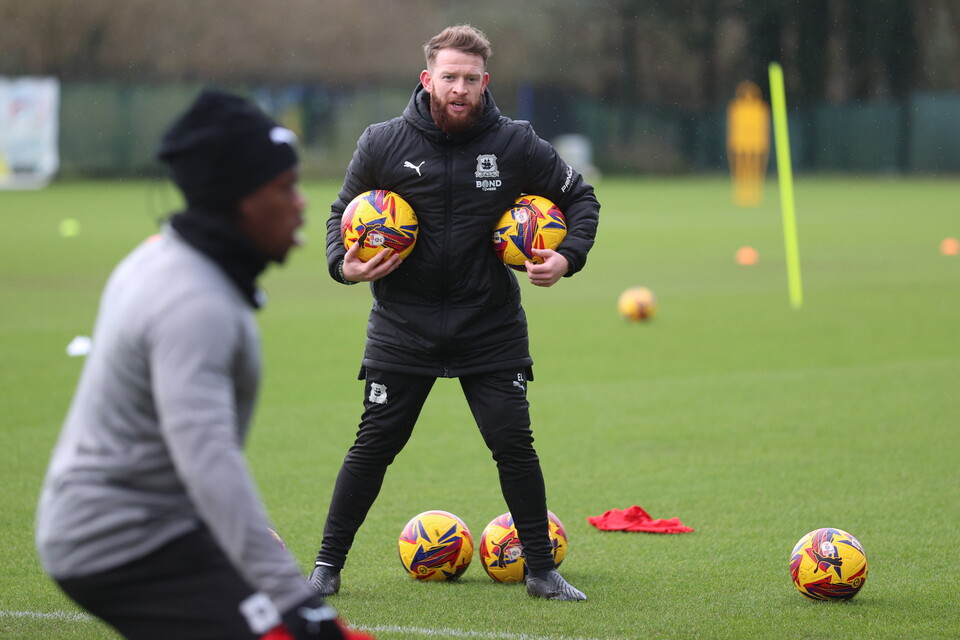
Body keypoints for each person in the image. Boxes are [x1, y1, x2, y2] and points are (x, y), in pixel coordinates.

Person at [35, 89, 372, 640]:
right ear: (240, 202)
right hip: (116, 540)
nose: (301, 203)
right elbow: (207, 457)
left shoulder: (169, 259)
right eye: (284, 188)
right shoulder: (194, 301)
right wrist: (294, 601)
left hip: (156, 523)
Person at [309, 25, 600, 601]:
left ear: (485, 82)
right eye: (449, 77)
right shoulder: (382, 142)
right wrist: (344, 265)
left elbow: (580, 197)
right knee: (373, 446)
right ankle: (325, 568)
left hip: (488, 326)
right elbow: (340, 214)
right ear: (428, 79)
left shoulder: (515, 143)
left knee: (513, 444)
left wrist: (566, 258)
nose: (460, 88)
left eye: (470, 79)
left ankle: (541, 571)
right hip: (403, 327)